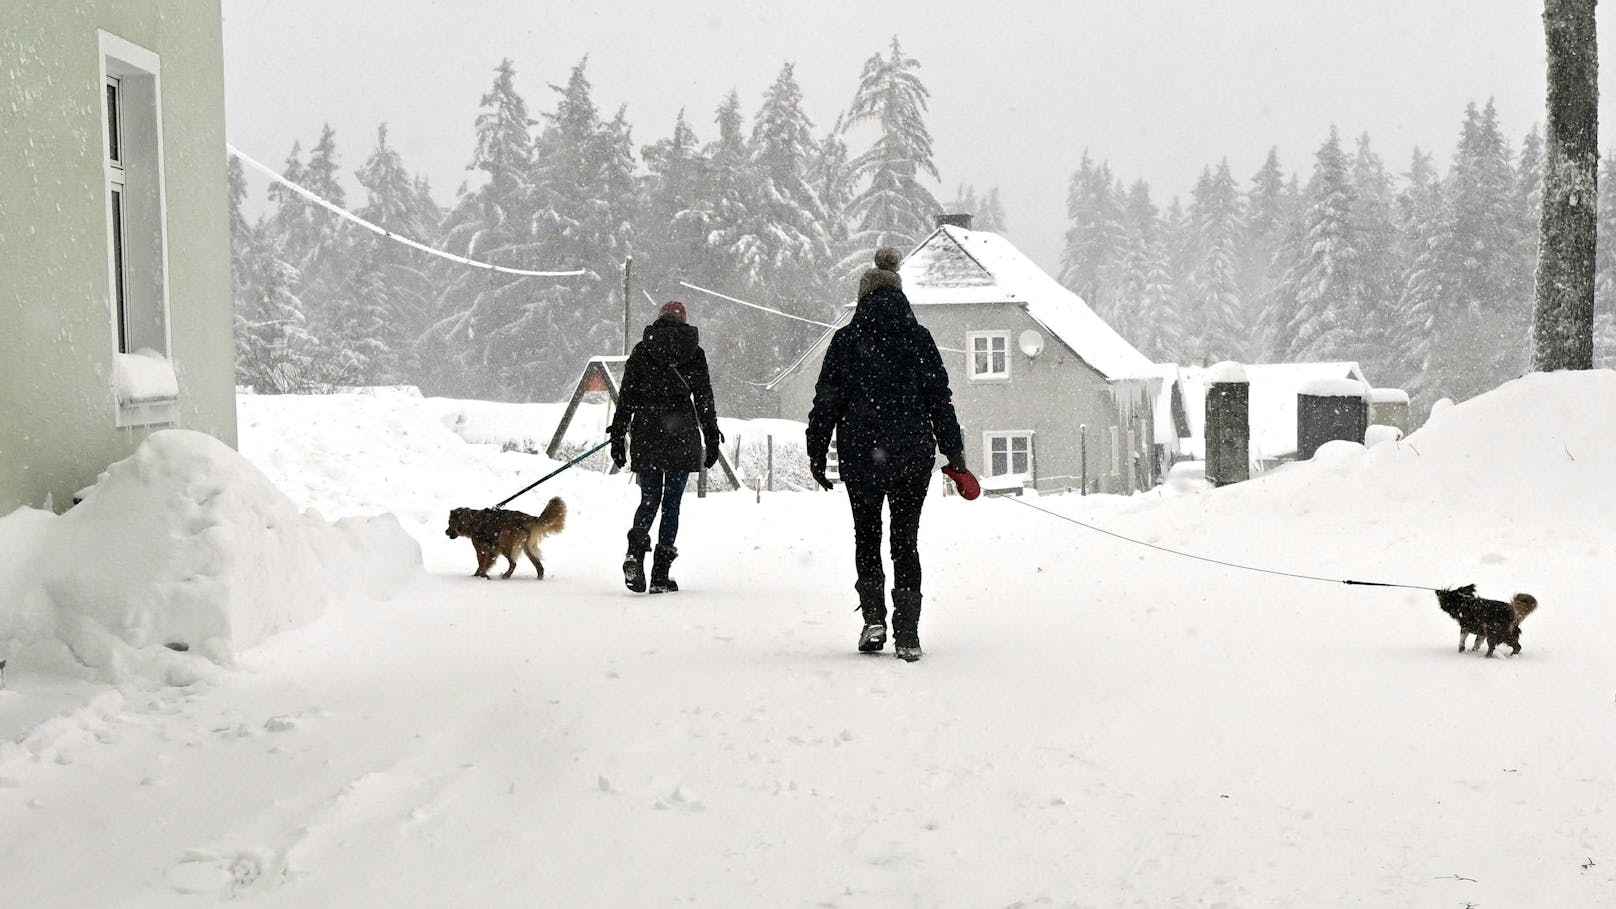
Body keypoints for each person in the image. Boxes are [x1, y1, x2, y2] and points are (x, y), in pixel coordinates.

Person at [806, 247, 966, 662]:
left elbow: (826, 402)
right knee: (905, 541)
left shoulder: (846, 340)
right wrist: (954, 454)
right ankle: (908, 633)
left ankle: (874, 620)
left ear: (863, 298)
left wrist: (817, 452)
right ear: (901, 296)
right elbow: (939, 401)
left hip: (861, 456)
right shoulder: (919, 339)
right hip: (912, 455)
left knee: (867, 536)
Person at [609, 301, 722, 594]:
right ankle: (660, 574)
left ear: (659, 320)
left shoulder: (642, 350)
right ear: (684, 321)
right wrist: (711, 436)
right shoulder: (694, 354)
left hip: (647, 434)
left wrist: (618, 434)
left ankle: (635, 553)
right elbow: (704, 400)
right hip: (681, 435)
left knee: (649, 499)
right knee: (672, 505)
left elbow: (627, 397)